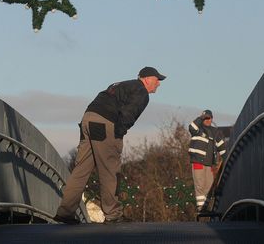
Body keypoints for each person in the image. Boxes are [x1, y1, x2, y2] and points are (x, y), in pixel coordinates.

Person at [53, 66, 166, 224]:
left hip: (88, 119)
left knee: (80, 170)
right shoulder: (141, 91)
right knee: (109, 170)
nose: (159, 83)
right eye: (157, 79)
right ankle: (113, 214)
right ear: (147, 79)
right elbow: (129, 114)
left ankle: (65, 212)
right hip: (105, 123)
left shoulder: (120, 84)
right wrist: (118, 133)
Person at [188, 109, 226, 212]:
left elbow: (222, 148)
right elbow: (191, 126)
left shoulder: (216, 132)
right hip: (198, 162)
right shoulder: (197, 129)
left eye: (209, 118)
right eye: (206, 118)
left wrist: (226, 158)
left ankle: (205, 206)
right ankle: (201, 208)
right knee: (200, 184)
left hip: (209, 164)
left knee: (209, 186)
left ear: (212, 119)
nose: (208, 120)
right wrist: (201, 118)